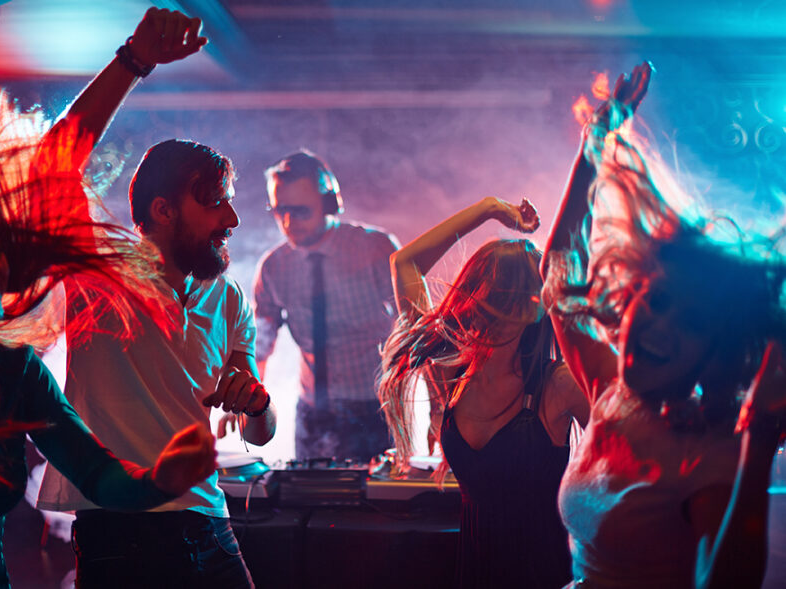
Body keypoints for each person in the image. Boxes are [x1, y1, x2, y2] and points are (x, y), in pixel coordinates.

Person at [0, 44, 218, 589]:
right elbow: (59, 156)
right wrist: (132, 59)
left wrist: (160, 480)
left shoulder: (13, 373)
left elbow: (97, 474)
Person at [36, 9, 276, 588]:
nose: (234, 218)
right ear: (163, 211)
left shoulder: (228, 295)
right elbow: (50, 165)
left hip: (210, 524)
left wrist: (256, 401)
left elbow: (258, 427)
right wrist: (133, 61)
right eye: (214, 201)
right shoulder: (102, 273)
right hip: (121, 529)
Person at [542, 62, 786, 588]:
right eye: (657, 300)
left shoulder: (707, 449)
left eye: (693, 322)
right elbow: (560, 269)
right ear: (629, 298)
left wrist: (759, 440)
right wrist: (597, 141)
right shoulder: (610, 394)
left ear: (715, 351)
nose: (658, 327)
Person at [378, 196, 588, 588]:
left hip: (550, 575)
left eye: (512, 297)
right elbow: (404, 263)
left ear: (535, 305)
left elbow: (626, 466)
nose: (497, 309)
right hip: (475, 573)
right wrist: (490, 209)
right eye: (492, 294)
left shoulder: (557, 384)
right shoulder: (450, 373)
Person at [245, 150, 399, 460]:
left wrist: (433, 406)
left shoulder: (374, 248)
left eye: (301, 211)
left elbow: (414, 325)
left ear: (331, 204)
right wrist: (247, 402)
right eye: (280, 211)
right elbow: (259, 343)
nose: (289, 222)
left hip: (375, 408)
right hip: (313, 412)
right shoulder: (274, 267)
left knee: (380, 505)